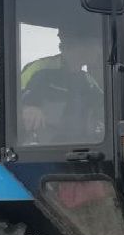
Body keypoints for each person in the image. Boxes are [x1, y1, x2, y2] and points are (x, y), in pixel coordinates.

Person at [19, 16, 105, 145]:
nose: (99, 51)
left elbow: (106, 110)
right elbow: (4, 105)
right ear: (79, 46)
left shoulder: (88, 81)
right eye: (96, 45)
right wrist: (26, 108)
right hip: (40, 150)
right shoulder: (40, 70)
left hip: (82, 150)